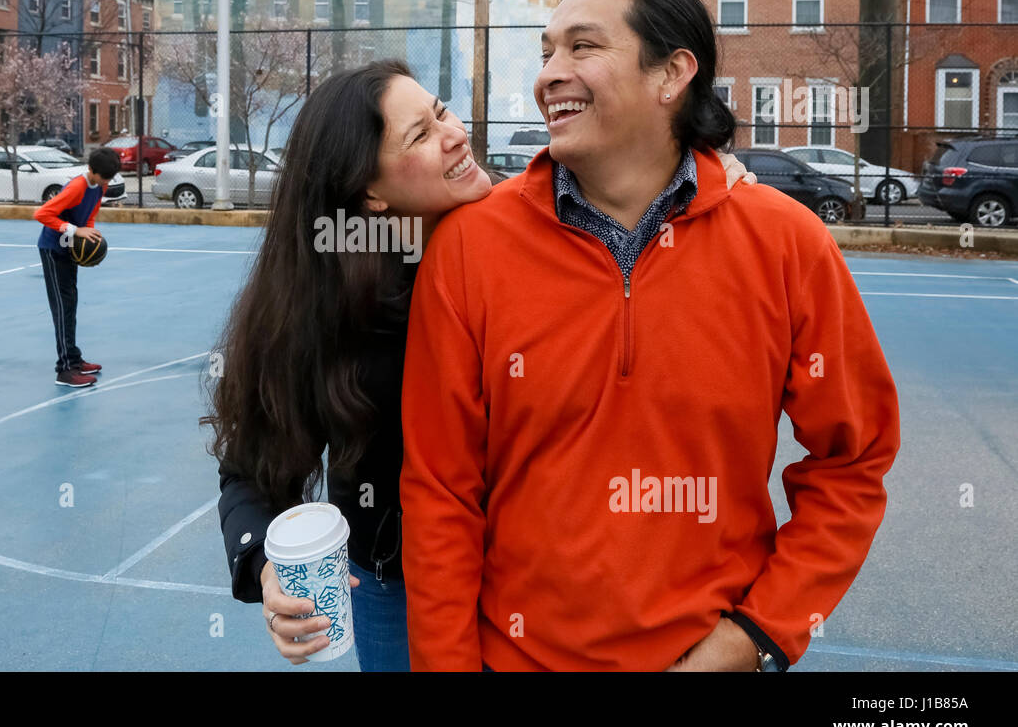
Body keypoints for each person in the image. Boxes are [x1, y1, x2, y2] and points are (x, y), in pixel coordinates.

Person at [399, 0, 901, 672]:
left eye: (582, 47)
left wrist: (755, 637)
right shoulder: (469, 248)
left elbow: (854, 461)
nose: (549, 75)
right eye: (546, 53)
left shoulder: (788, 242)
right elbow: (441, 492)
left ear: (672, 75)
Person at [206, 58, 755, 671]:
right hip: (400, 582)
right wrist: (264, 566)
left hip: (536, 579)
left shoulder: (540, 228)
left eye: (440, 110)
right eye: (419, 135)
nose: (455, 133)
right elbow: (252, 464)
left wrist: (692, 180)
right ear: (370, 193)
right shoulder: (322, 307)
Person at [33, 147, 120, 388]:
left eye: (109, 178)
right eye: (104, 177)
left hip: (69, 249)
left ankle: (74, 357)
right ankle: (64, 370)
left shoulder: (100, 187)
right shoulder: (76, 187)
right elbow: (42, 214)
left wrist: (89, 232)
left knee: (70, 303)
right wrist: (75, 230)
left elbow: (90, 214)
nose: (106, 182)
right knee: (62, 308)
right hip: (53, 249)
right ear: (91, 170)